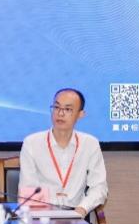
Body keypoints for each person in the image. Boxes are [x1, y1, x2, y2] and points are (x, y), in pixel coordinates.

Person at [18, 88, 107, 216]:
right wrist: (47, 216)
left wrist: (82, 209)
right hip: (42, 213)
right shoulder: (31, 143)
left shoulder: (90, 144)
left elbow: (99, 187)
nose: (60, 113)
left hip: (77, 213)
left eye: (68, 109)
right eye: (56, 107)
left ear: (80, 114)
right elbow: (28, 187)